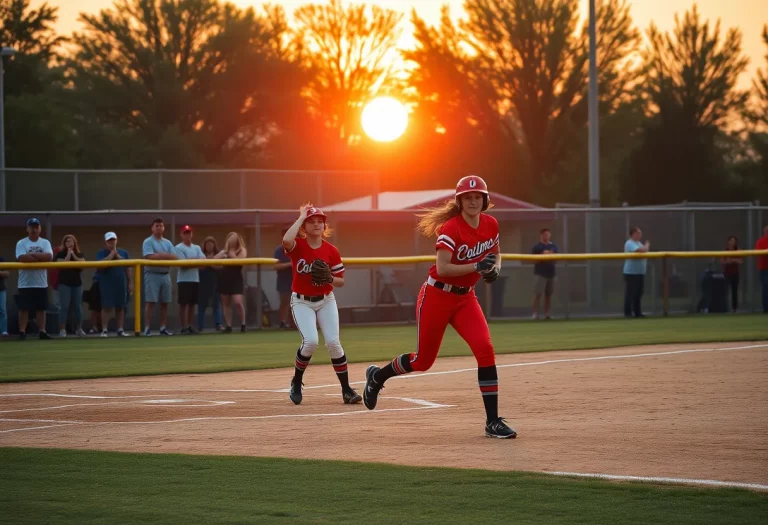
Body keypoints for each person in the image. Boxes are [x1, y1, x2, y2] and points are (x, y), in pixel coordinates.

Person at [362, 176, 516, 439]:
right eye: (467, 198)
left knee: (485, 349)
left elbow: (496, 253)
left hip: (466, 298)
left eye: (477, 197)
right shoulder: (451, 228)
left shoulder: (490, 223)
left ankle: (492, 422)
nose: (472, 201)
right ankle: (378, 377)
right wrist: (477, 266)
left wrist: (495, 268)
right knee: (423, 361)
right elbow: (444, 268)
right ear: (459, 201)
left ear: (485, 200)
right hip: (436, 295)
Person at [283, 204, 361, 406]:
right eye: (312, 221)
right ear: (304, 226)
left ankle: (346, 390)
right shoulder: (298, 246)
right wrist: (301, 216)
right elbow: (286, 240)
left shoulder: (331, 251)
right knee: (310, 342)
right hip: (301, 301)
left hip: (326, 300)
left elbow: (340, 281)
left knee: (333, 343)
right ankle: (297, 381)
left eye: (320, 221)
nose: (317, 224)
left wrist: (329, 278)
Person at [15, 218, 54, 340]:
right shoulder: (21, 243)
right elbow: (21, 257)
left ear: (40, 228)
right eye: (31, 227)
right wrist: (39, 258)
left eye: (36, 226)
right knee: (24, 308)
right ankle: (22, 332)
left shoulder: (45, 243)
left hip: (41, 282)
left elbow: (49, 256)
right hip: (25, 282)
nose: (34, 229)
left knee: (41, 308)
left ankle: (42, 331)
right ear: (27, 228)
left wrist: (33, 255)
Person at [142, 218, 177, 336]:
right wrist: (164, 256)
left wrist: (161, 255)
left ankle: (163, 328)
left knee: (165, 303)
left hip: (165, 275)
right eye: (156, 226)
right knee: (150, 302)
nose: (159, 228)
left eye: (161, 226)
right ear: (152, 228)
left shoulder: (167, 243)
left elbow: (174, 257)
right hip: (152, 274)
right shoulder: (148, 241)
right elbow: (150, 257)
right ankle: (147, 328)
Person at [96, 232, 132, 337]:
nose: (112, 242)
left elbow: (128, 267)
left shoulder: (124, 252)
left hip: (121, 282)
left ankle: (120, 329)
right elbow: (100, 266)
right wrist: (111, 255)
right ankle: (104, 330)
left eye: (113, 240)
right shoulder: (101, 253)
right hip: (106, 283)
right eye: (109, 241)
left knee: (120, 306)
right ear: (106, 242)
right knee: (106, 306)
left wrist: (130, 283)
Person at [175, 225, 205, 334]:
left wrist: (192, 261)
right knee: (183, 304)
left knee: (192, 304)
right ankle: (184, 327)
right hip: (183, 280)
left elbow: (203, 263)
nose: (188, 235)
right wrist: (195, 261)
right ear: (181, 234)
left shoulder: (196, 247)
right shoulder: (178, 248)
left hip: (194, 279)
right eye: (185, 233)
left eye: (189, 233)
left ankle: (190, 326)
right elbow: (183, 264)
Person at [215, 232, 247, 333]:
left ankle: (243, 324)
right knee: (226, 303)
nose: (232, 240)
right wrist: (223, 254)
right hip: (224, 277)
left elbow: (241, 260)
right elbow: (214, 260)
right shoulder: (224, 251)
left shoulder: (242, 250)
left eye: (234, 238)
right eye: (230, 238)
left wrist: (232, 255)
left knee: (238, 302)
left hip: (236, 278)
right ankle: (228, 325)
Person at [55, 234, 86, 337]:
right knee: (64, 306)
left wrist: (73, 255)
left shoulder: (80, 254)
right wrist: (68, 254)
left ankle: (79, 329)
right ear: (64, 243)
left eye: (71, 241)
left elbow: (82, 264)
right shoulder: (59, 254)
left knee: (78, 307)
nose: (69, 243)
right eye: (67, 241)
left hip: (77, 284)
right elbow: (62, 265)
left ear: (74, 243)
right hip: (64, 284)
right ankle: (62, 330)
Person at [197, 237, 223, 332]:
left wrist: (210, 262)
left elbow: (220, 267)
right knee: (202, 305)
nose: (209, 246)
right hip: (203, 283)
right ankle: (200, 326)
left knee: (216, 305)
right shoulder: (201, 254)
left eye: (211, 244)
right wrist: (207, 261)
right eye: (207, 244)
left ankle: (218, 325)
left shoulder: (218, 255)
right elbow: (200, 267)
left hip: (215, 283)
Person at [623, 226, 650, 318]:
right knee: (630, 294)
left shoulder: (638, 243)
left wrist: (644, 246)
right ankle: (628, 313)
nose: (640, 235)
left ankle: (638, 313)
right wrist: (647, 244)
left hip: (640, 273)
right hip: (631, 273)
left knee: (638, 293)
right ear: (632, 234)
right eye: (638, 233)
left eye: (640, 233)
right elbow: (642, 251)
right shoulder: (629, 243)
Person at [531, 228, 558, 320]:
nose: (547, 236)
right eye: (545, 234)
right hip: (540, 273)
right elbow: (535, 259)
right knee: (538, 294)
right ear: (541, 235)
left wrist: (546, 254)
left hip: (551, 274)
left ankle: (547, 314)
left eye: (548, 234)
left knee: (548, 295)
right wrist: (544, 254)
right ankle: (535, 314)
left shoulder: (553, 246)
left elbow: (554, 254)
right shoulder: (537, 246)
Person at [274, 228, 293, 329]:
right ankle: (282, 322)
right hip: (284, 280)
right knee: (285, 301)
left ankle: (295, 323)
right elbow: (276, 266)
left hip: (298, 281)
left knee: (298, 303)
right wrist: (289, 264)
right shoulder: (279, 250)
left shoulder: (298, 248)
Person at [720, 235, 743, 313]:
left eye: (734, 241)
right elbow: (722, 261)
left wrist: (733, 259)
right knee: (725, 291)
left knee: (734, 291)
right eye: (731, 240)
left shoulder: (738, 250)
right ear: (728, 241)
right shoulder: (725, 250)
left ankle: (734, 309)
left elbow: (740, 261)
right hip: (727, 274)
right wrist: (727, 261)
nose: (733, 242)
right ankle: (724, 308)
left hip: (735, 274)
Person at [756, 224, 768, 313]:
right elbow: (759, 253)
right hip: (764, 269)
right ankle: (766, 308)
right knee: (765, 288)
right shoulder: (760, 241)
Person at [0, 256, 8, 338]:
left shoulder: (1, 259)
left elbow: (6, 274)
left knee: (2, 310)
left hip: (0, 289)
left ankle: (4, 331)